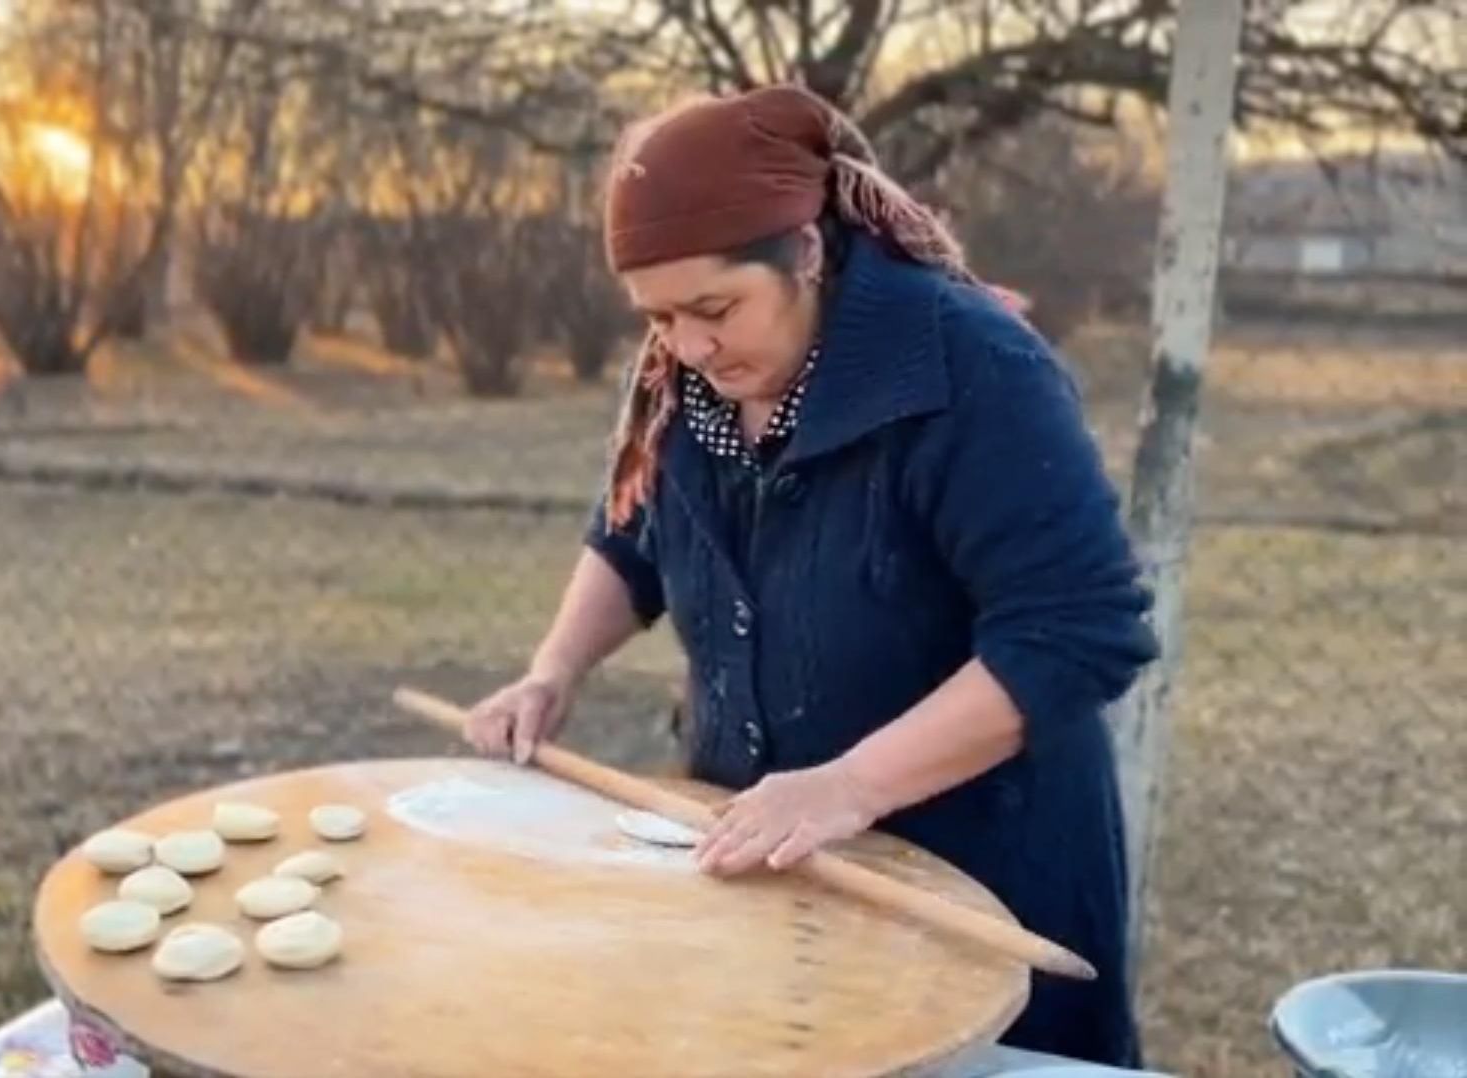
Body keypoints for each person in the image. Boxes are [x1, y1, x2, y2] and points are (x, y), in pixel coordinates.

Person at [462, 84, 1160, 1068]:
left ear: (805, 252)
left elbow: (1076, 632)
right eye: (659, 317)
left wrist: (849, 786)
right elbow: (633, 533)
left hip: (974, 874)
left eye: (715, 308)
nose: (689, 345)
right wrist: (554, 669)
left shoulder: (972, 368)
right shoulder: (682, 375)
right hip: (762, 862)